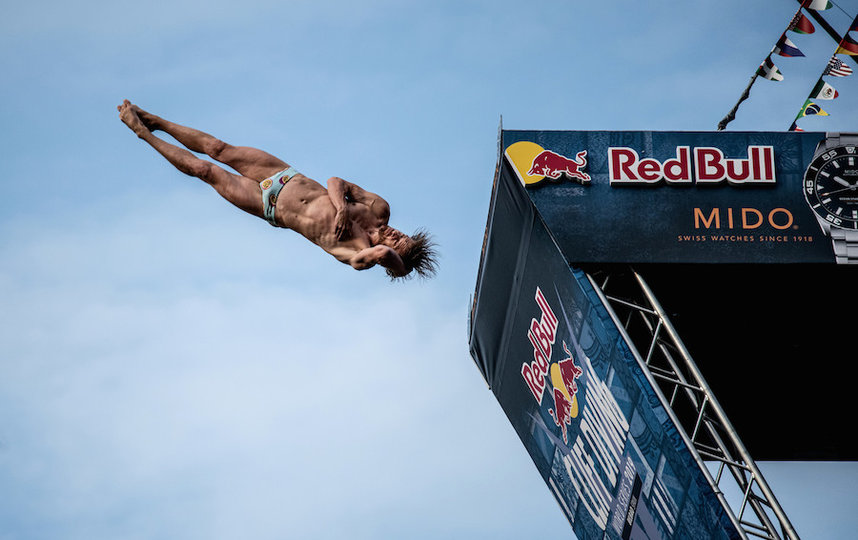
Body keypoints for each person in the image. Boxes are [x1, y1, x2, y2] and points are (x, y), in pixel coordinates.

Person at [117, 100, 436, 279]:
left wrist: (396, 261)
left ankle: (143, 133)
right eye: (401, 233)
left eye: (397, 241)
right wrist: (340, 208)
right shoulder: (379, 209)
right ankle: (157, 121)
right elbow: (336, 182)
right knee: (218, 148)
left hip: (268, 206)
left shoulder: (357, 252)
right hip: (284, 176)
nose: (394, 233)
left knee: (205, 171)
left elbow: (378, 254)